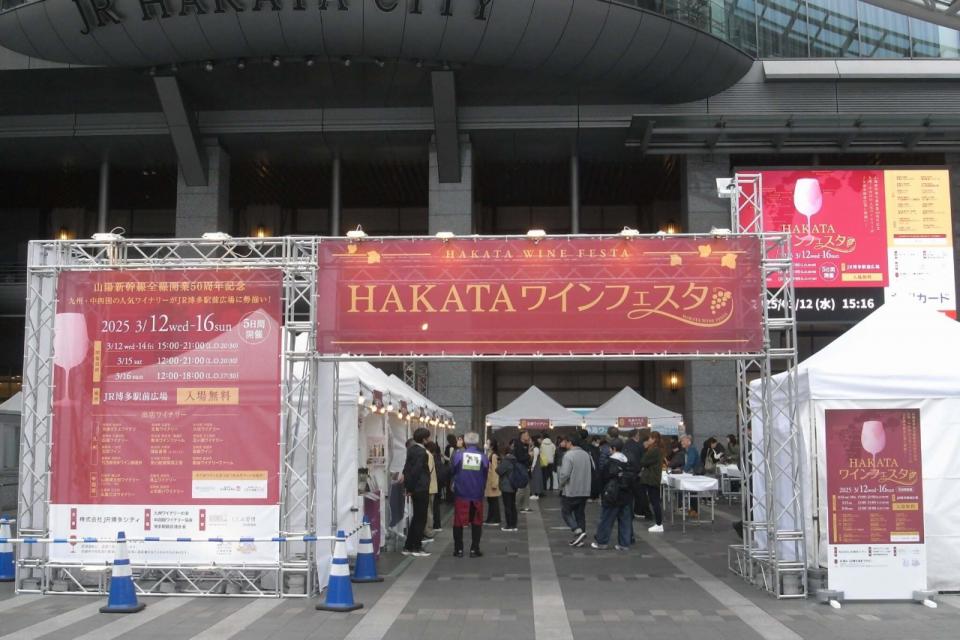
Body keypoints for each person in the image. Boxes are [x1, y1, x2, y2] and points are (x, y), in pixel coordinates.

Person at [591, 438, 636, 550]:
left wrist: (601, 494)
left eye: (610, 448)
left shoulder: (610, 462)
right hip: (626, 495)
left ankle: (602, 542)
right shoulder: (628, 461)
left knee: (606, 519)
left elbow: (602, 479)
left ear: (614, 449)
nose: (609, 450)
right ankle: (624, 544)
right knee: (625, 520)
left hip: (612, 495)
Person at [450, 432, 490, 558]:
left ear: (465, 442)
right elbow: (485, 473)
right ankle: (474, 549)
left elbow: (453, 471)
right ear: (477, 443)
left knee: (458, 521)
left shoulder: (458, 456)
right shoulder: (483, 457)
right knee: (477, 521)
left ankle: (458, 549)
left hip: (461, 492)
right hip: (477, 493)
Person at [402, 427, 433, 557]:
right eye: (428, 437)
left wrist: (408, 487)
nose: (429, 439)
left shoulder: (411, 450)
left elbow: (407, 469)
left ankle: (408, 546)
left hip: (415, 488)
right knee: (421, 518)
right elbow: (416, 471)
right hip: (421, 488)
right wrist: (411, 487)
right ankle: (417, 546)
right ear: (424, 439)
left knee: (416, 518)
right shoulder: (422, 452)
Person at [558, 437, 593, 547]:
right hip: (585, 489)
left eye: (566, 442)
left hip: (571, 489)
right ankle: (580, 539)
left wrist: (561, 484)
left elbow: (565, 474)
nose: (565, 444)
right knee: (580, 514)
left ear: (570, 442)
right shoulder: (586, 454)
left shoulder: (569, 455)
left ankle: (576, 530)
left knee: (565, 512)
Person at [638, 430, 665, 533]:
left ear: (654, 439)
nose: (648, 440)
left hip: (652, 478)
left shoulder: (654, 450)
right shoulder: (657, 449)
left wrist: (645, 449)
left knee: (655, 502)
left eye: (650, 438)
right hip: (653, 478)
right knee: (654, 501)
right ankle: (658, 523)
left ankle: (659, 524)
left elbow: (643, 461)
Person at [496, 442, 520, 531]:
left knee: (507, 506)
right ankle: (514, 524)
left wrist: (499, 463)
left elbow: (498, 470)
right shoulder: (514, 459)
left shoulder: (506, 460)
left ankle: (509, 525)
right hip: (514, 485)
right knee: (513, 505)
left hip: (506, 486)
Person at [425, 441, 442, 536]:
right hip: (432, 486)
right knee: (430, 510)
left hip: (429, 487)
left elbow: (427, 470)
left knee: (429, 511)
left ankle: (428, 531)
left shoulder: (428, 456)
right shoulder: (430, 455)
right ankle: (429, 530)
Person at [484, 440, 502, 527]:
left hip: (492, 482)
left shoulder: (493, 456)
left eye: (487, 443)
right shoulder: (489, 454)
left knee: (493, 501)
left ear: (491, 446)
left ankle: (495, 519)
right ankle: (490, 518)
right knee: (490, 500)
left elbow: (495, 470)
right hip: (489, 481)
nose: (485, 445)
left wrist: (494, 483)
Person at [514, 431, 532, 512]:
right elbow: (520, 458)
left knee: (527, 488)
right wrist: (529, 455)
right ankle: (516, 506)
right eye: (527, 435)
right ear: (522, 436)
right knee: (522, 489)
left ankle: (525, 506)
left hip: (525, 468)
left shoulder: (525, 445)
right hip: (520, 469)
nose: (528, 436)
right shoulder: (518, 445)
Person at [529, 435, 544, 500]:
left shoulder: (536, 449)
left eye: (530, 440)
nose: (529, 441)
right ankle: (535, 493)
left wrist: (532, 467)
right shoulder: (534, 448)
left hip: (535, 465)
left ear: (533, 441)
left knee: (536, 479)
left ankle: (536, 493)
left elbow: (535, 458)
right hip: (535, 465)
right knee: (535, 479)